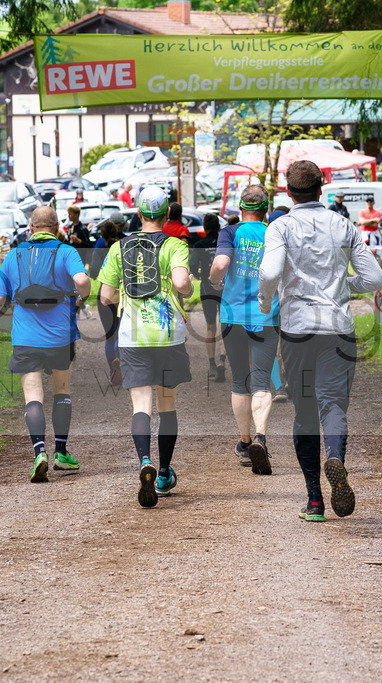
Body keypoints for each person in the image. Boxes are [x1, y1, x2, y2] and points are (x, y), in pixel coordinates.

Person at [258, 160, 382, 523]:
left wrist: (267, 299)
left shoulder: (279, 226)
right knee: (334, 406)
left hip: (298, 331)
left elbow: (268, 271)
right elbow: (374, 278)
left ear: (287, 192)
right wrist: (347, 286)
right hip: (338, 328)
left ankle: (314, 502)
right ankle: (337, 459)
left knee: (305, 412)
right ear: (322, 186)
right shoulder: (343, 224)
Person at [98, 186, 194, 507]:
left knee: (141, 405)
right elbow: (182, 284)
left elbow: (105, 297)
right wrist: (188, 284)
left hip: (133, 337)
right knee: (167, 404)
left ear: (138, 214)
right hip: (168, 336)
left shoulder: (118, 248)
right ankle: (164, 473)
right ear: (167, 214)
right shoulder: (175, 245)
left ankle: (144, 462)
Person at [0, 206, 91, 482]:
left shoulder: (13, 255)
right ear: (57, 225)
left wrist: (9, 308)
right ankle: (61, 452)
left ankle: (39, 453)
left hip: (26, 338)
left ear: (31, 227)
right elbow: (82, 280)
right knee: (62, 391)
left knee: (32, 396)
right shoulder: (65, 251)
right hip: (59, 336)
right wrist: (82, 296)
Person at [210, 185, 279, 474]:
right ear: (266, 209)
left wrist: (216, 280)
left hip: (233, 314)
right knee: (262, 378)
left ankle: (244, 442)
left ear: (240, 208)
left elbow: (222, 262)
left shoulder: (230, 232)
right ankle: (261, 438)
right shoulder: (273, 232)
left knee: (240, 380)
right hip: (266, 314)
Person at [90, 212, 126, 386]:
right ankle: (126, 368)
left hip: (105, 295)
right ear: (124, 225)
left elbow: (94, 272)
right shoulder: (127, 243)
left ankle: (113, 371)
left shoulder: (99, 246)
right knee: (125, 332)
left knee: (110, 335)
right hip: (125, 295)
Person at [191, 213, 226, 383]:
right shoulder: (224, 243)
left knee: (210, 326)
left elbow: (192, 265)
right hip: (225, 289)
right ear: (219, 226)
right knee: (224, 326)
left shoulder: (199, 245)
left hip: (207, 289)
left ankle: (212, 364)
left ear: (204, 227)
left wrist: (200, 276)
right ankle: (222, 360)